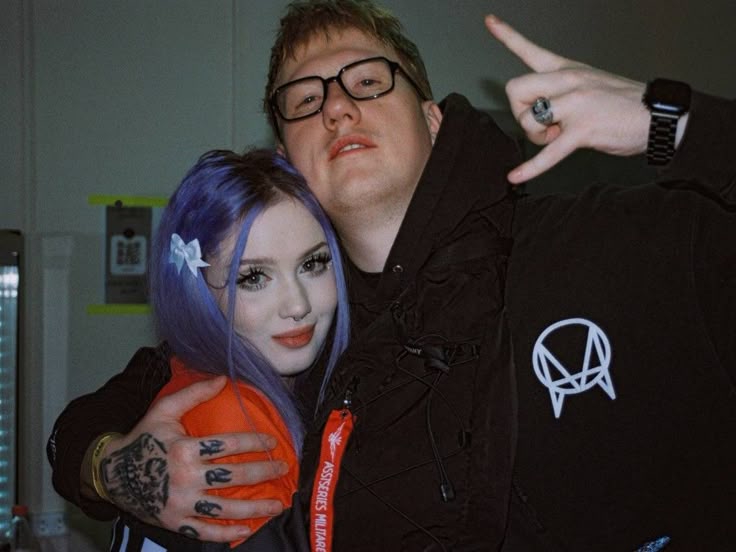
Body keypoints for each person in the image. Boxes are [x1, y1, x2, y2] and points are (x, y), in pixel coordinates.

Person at [48, 1, 736, 550]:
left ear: (433, 119)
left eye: (369, 80)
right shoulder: (300, 331)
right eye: (305, 98)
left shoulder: (611, 244)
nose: (337, 107)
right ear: (288, 156)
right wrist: (113, 469)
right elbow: (91, 421)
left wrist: (672, 123)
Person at [89, 148, 350, 551]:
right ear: (198, 289)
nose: (297, 304)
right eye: (254, 277)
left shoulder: (204, 377)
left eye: (313, 264)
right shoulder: (231, 416)